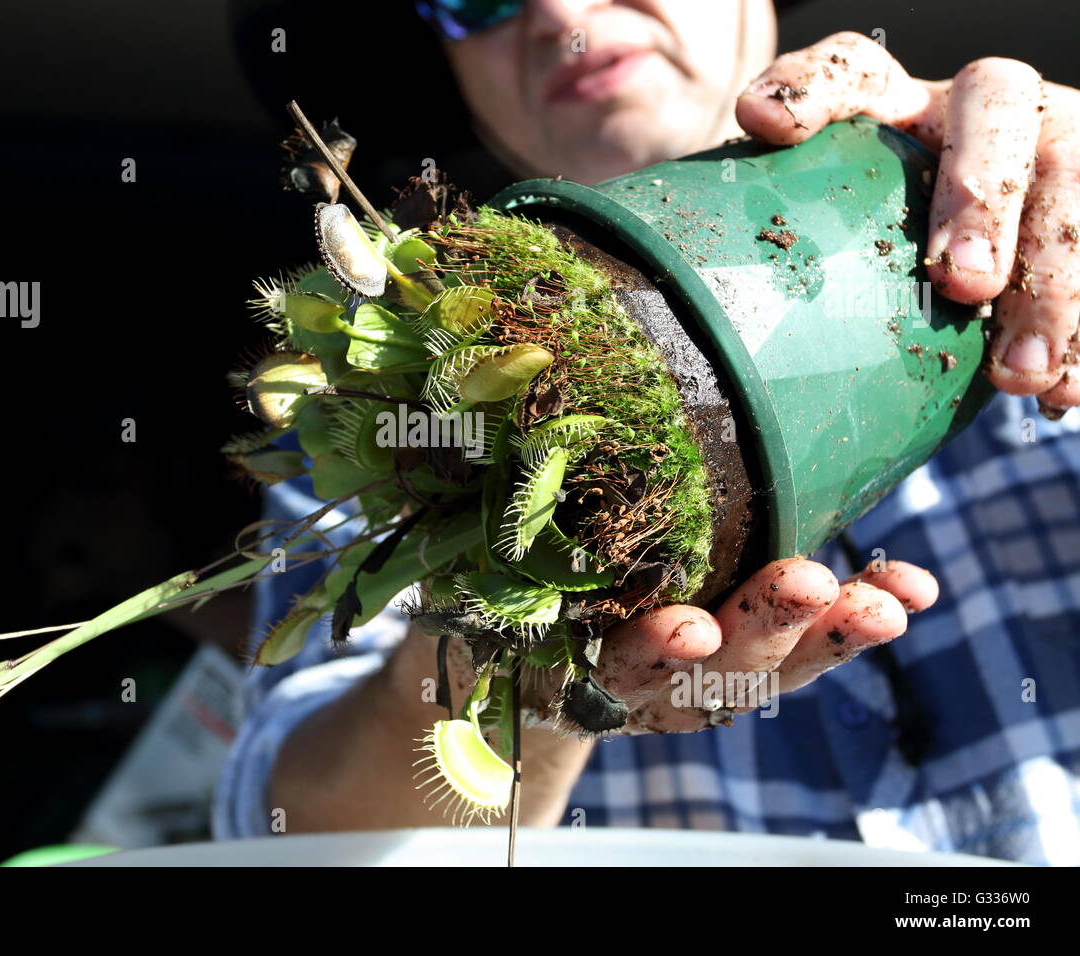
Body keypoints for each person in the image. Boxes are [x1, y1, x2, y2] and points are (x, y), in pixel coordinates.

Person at [215, 1, 1080, 864]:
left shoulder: (1040, 274)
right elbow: (295, 835)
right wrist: (496, 664)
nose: (559, 10)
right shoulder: (393, 426)